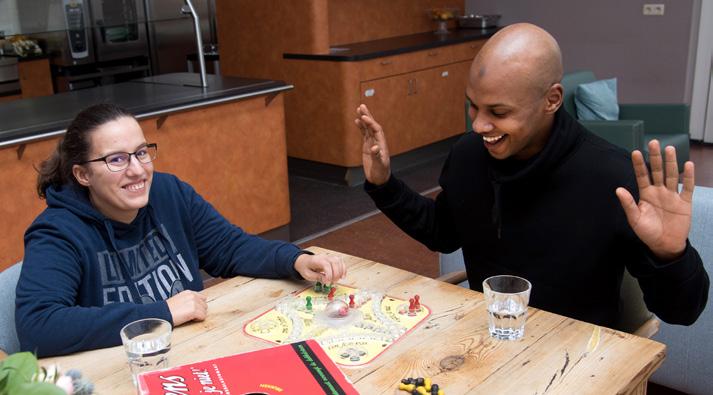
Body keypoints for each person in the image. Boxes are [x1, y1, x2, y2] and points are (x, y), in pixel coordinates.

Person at [355, 23, 708, 328]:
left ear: (552, 100)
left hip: (578, 360)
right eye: (473, 105)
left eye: (498, 111)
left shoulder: (612, 176)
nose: (478, 125)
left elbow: (681, 312)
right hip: (492, 341)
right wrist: (385, 185)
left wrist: (671, 255)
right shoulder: (468, 155)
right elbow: (442, 232)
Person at [16, 103, 346, 357]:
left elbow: (230, 247)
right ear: (83, 175)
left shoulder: (168, 192)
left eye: (142, 153)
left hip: (194, 351)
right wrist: (161, 314)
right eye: (117, 160)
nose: (137, 170)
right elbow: (39, 327)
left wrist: (294, 260)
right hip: (121, 371)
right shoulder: (57, 232)